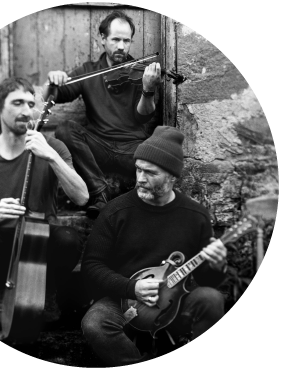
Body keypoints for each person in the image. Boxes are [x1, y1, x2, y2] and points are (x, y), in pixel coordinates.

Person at [81, 126, 228, 366]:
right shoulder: (116, 212)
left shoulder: (194, 215)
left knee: (211, 299)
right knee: (95, 324)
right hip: (123, 300)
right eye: (138, 169)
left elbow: (207, 280)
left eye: (150, 172)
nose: (140, 178)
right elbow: (91, 266)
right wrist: (131, 287)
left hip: (176, 302)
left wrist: (217, 265)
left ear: (172, 176)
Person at [0, 77, 89, 327]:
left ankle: (46, 296)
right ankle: (2, 295)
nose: (26, 110)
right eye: (17, 103)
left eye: (31, 104)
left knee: (68, 239)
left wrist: (51, 156)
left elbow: (82, 197)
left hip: (40, 238)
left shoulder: (52, 146)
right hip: (3, 242)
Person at [42, 10, 162, 218]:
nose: (121, 46)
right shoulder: (89, 71)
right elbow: (56, 96)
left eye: (127, 40)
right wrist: (53, 82)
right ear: (103, 40)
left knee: (156, 152)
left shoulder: (141, 72)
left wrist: (148, 89)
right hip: (99, 147)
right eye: (115, 39)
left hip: (131, 150)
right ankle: (100, 192)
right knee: (66, 130)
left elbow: (143, 115)